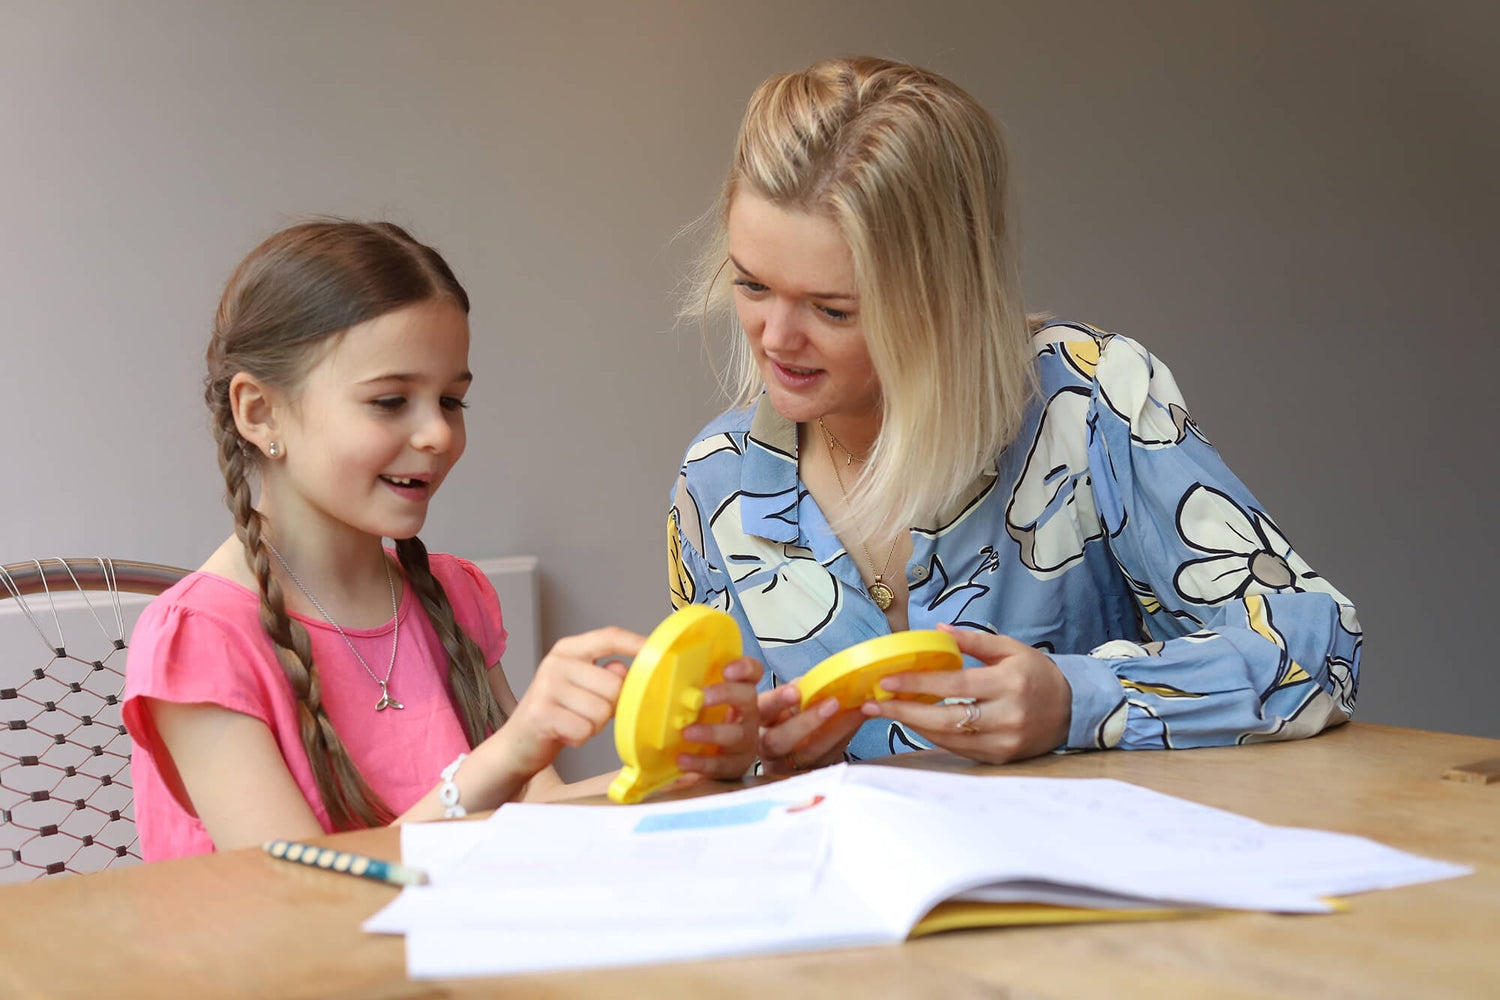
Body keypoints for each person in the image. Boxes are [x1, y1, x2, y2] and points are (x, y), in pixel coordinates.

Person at [668, 57, 1361, 775]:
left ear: (946, 291)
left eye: (832, 309)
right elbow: (722, 780)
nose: (776, 338)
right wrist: (737, 758)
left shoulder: (1090, 401)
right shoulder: (716, 484)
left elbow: (1321, 648)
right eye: (751, 285)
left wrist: (1073, 700)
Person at [124, 220, 759, 860]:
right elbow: (303, 894)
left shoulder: (451, 596)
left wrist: (698, 771)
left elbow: (541, 813)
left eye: (452, 401)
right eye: (391, 400)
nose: (437, 435)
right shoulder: (198, 642)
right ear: (259, 412)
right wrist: (505, 754)